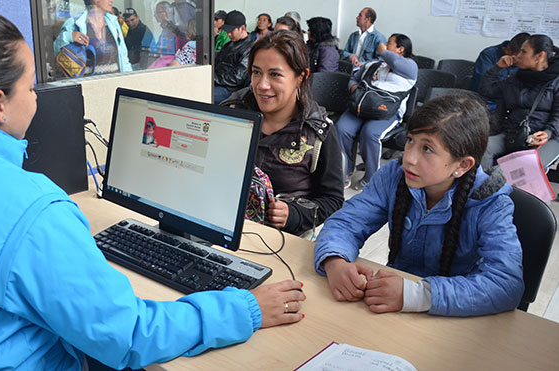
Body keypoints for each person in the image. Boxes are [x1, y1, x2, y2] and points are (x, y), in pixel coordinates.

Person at [0, 10, 306, 370]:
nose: (36, 97)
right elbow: (129, 336)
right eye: (31, 86)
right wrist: (244, 309)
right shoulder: (32, 212)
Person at [314, 93, 524, 317]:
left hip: (454, 315)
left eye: (427, 149)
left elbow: (505, 284)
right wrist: (335, 260)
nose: (409, 158)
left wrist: (415, 294)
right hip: (392, 306)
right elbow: (347, 223)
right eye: (410, 140)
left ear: (462, 165)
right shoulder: (394, 176)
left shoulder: (490, 201)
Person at [221, 31, 344, 237]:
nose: (262, 85)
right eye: (256, 72)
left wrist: (295, 215)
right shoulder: (233, 112)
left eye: (275, 74)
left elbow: (332, 200)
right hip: (226, 226)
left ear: (300, 77)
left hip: (282, 240)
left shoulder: (318, 133)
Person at [338, 34, 418, 190]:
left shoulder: (410, 67)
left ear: (401, 49)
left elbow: (394, 61)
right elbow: (354, 78)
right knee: (342, 129)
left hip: (387, 112)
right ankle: (345, 170)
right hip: (362, 106)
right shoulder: (375, 64)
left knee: (370, 133)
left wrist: (383, 51)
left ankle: (371, 177)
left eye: (389, 43)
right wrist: (354, 89)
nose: (384, 45)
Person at [479, 34, 559, 171]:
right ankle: (485, 187)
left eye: (524, 52)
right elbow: (487, 90)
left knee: (525, 168)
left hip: (546, 137)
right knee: (483, 148)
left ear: (539, 56)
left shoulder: (555, 81)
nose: (518, 55)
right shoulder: (517, 78)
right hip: (514, 134)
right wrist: (498, 67)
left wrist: (548, 132)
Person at [53, 0, 132, 76]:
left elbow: (124, 58)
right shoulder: (74, 23)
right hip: (87, 84)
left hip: (114, 83)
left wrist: (129, 80)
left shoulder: (114, 23)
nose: (112, 0)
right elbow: (55, 50)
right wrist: (69, 37)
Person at [213, 10, 254, 104]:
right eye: (227, 31)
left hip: (230, 89)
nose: (228, 34)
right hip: (218, 81)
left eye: (231, 31)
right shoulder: (229, 44)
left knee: (202, 96)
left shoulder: (249, 48)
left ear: (242, 28)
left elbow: (237, 78)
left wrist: (213, 78)